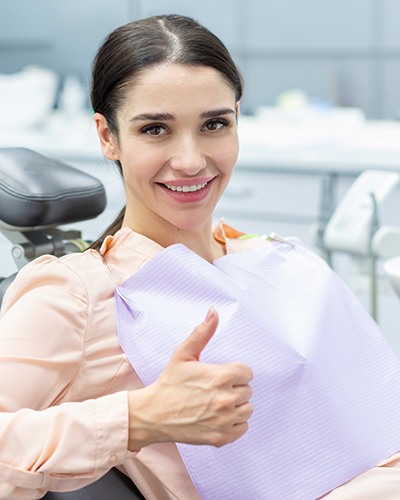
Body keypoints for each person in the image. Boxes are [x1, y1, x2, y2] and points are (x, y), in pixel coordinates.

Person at [0, 13, 400, 500]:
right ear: (108, 137)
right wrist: (139, 419)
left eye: (214, 124)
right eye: (155, 130)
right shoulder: (82, 295)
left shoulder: (277, 259)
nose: (190, 160)